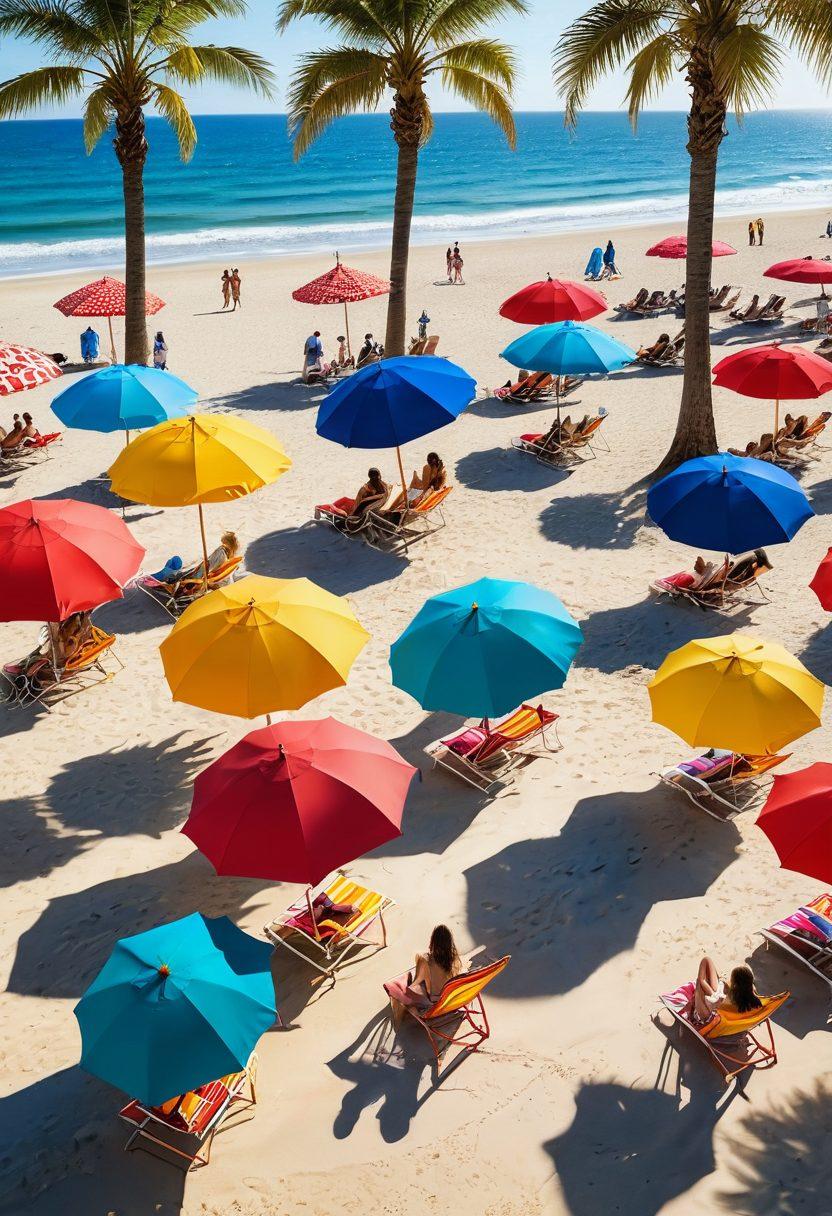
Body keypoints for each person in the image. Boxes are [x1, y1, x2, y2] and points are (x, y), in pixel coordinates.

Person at [389, 924, 462, 1026]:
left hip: (433, 1002)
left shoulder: (426, 959)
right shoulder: (454, 959)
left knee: (397, 985)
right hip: (449, 999)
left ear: (433, 941)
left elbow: (416, 985)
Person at [693, 958, 762, 1025]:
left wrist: (701, 982)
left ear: (735, 985)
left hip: (708, 1017)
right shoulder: (754, 1002)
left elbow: (713, 1002)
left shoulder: (726, 1001)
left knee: (701, 979)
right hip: (725, 1013)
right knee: (708, 963)